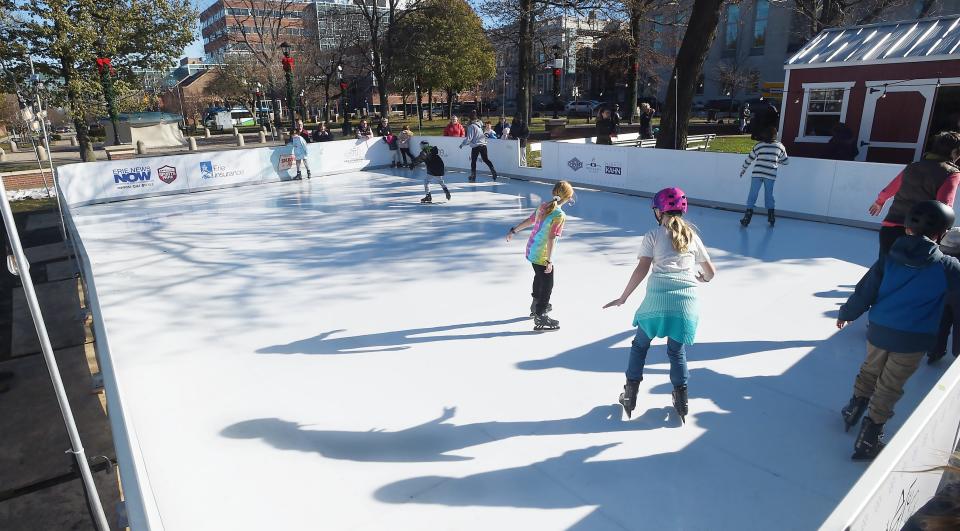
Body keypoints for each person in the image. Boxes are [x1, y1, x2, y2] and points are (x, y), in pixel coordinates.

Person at [837, 200, 960, 461]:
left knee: (870, 368)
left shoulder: (888, 258)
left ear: (906, 229)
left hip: (879, 329)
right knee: (890, 385)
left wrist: (846, 313)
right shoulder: (948, 267)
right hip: (913, 340)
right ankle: (869, 436)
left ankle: (854, 407)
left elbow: (865, 290)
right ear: (943, 233)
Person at [603, 187, 716, 423]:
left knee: (639, 346)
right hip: (687, 303)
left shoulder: (653, 235)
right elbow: (711, 273)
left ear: (659, 211)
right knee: (676, 351)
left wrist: (623, 297)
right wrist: (701, 278)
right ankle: (682, 399)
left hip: (657, 299)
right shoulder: (692, 237)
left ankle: (630, 394)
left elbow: (642, 268)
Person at [869, 131, 960, 258]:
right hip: (919, 233)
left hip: (891, 226)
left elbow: (890, 189)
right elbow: (943, 207)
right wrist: (943, 233)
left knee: (885, 269)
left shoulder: (913, 166)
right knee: (910, 274)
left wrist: (879, 202)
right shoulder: (951, 173)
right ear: (954, 152)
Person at [506, 181, 574, 331]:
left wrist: (514, 231)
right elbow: (551, 238)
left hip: (531, 250)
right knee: (548, 284)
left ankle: (535, 304)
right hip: (542, 255)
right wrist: (549, 261)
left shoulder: (543, 206)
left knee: (539, 277)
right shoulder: (559, 215)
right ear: (568, 197)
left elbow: (530, 220)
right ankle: (541, 314)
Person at [739, 126, 789, 227]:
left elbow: (750, 158)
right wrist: (776, 160)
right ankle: (771, 217)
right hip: (770, 175)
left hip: (757, 173)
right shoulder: (780, 146)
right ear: (775, 135)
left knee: (752, 195)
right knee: (769, 195)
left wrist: (744, 168)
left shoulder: (759, 145)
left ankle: (747, 218)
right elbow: (786, 161)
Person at [931, 227, 960, 364]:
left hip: (942, 293)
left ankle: (934, 351)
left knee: (940, 323)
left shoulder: (939, 258)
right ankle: (957, 353)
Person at [460, 111, 499, 182]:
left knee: (473, 161)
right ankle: (493, 170)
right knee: (486, 159)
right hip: (483, 145)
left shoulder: (471, 126)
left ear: (470, 119)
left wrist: (462, 144)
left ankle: (473, 175)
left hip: (476, 146)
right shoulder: (479, 125)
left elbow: (469, 138)